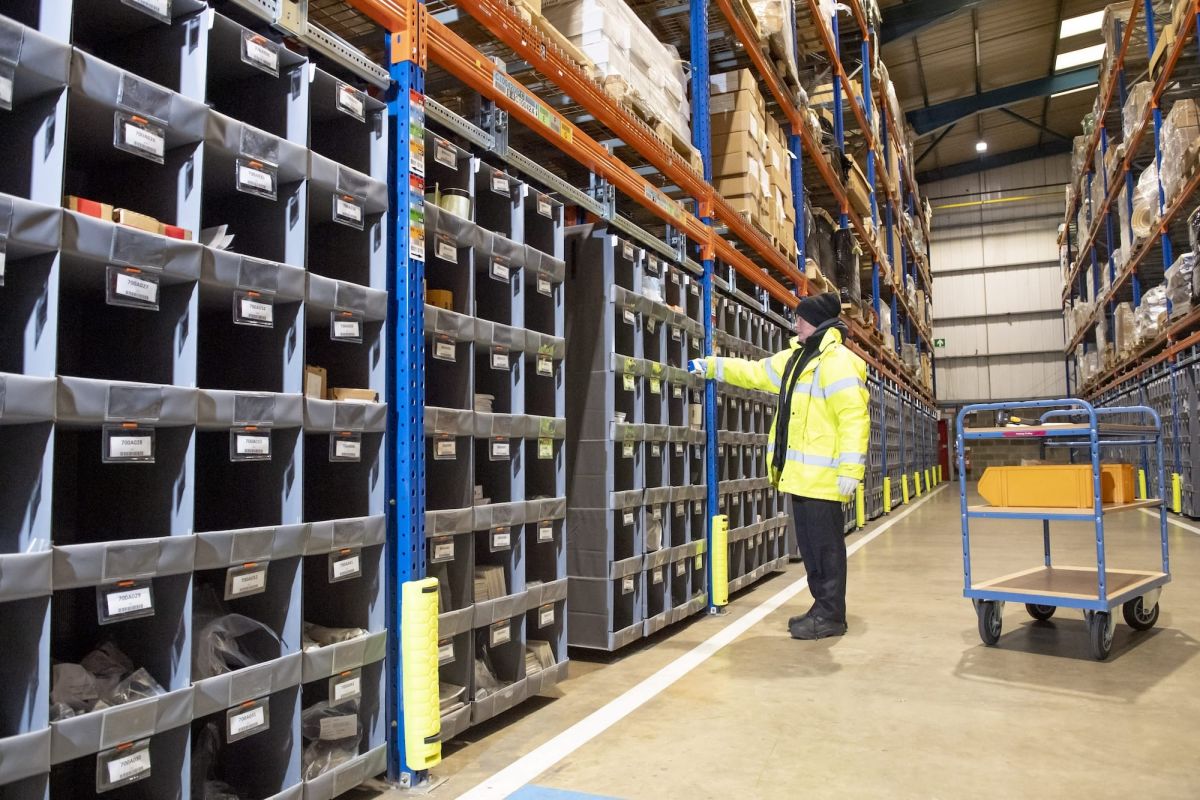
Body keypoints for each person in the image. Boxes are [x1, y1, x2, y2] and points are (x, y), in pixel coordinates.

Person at [688, 291, 869, 639]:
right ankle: (822, 608)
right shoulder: (798, 359)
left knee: (826, 548)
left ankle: (831, 615)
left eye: (801, 318)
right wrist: (712, 366)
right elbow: (755, 372)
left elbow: (853, 418)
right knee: (813, 549)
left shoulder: (836, 363)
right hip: (800, 477)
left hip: (824, 478)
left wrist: (850, 470)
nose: (796, 323)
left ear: (815, 321)